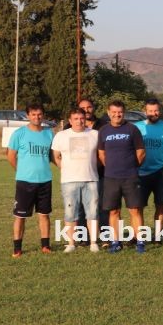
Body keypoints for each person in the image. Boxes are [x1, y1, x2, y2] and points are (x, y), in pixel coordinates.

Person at [98, 100, 146, 253]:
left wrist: (131, 166)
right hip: (111, 177)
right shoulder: (103, 131)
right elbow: (101, 153)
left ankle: (140, 242)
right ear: (108, 113)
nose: (117, 115)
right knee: (113, 211)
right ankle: (116, 242)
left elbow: (141, 152)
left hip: (130, 177)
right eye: (114, 112)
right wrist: (112, 167)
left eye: (119, 112)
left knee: (135, 210)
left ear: (123, 113)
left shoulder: (132, 129)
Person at [8, 103, 55, 257]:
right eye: (33, 114)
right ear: (28, 116)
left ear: (43, 115)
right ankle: (17, 248)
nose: (37, 117)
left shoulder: (49, 133)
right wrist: (22, 171)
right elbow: (11, 156)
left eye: (39, 114)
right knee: (20, 216)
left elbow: (52, 156)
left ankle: (45, 246)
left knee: (44, 214)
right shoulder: (19, 133)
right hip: (25, 182)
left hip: (45, 180)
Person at [52, 108, 100, 253]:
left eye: (81, 118)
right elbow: (56, 156)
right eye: (76, 119)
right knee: (70, 213)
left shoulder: (95, 134)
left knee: (93, 212)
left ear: (85, 119)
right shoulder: (61, 135)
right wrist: (65, 169)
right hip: (69, 181)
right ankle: (71, 244)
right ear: (70, 120)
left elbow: (100, 155)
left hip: (91, 179)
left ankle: (93, 243)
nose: (79, 121)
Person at [135, 98, 163, 242]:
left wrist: (162, 156)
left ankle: (158, 235)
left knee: (160, 205)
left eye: (156, 110)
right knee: (138, 206)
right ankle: (139, 235)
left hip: (160, 172)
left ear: (160, 111)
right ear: (145, 111)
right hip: (140, 172)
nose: (153, 113)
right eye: (150, 111)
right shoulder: (137, 127)